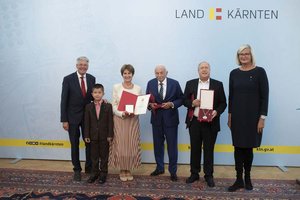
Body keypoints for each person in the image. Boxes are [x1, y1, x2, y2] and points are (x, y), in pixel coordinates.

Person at [227, 44, 269, 191]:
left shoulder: (260, 72)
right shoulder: (233, 73)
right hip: (237, 117)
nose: (244, 56)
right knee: (238, 148)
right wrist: (230, 116)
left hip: (253, 118)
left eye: (246, 53)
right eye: (241, 54)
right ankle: (238, 179)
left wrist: (262, 118)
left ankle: (248, 178)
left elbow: (265, 97)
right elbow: (231, 97)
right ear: (238, 57)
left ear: (251, 55)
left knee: (248, 149)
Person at [183, 61, 227, 187]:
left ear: (210, 70)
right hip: (195, 122)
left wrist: (216, 112)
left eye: (206, 67)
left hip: (210, 122)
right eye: (202, 68)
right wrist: (192, 103)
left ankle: (209, 175)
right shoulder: (190, 83)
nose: (204, 69)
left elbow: (223, 103)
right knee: (195, 149)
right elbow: (184, 100)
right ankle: (194, 173)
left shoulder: (218, 85)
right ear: (198, 70)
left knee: (209, 150)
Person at [146, 64, 183, 182]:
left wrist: (172, 104)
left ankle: (173, 171)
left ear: (166, 73)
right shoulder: (150, 83)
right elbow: (148, 100)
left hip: (171, 120)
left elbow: (181, 99)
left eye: (161, 73)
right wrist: (149, 105)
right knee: (158, 145)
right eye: (157, 73)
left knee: (172, 146)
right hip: (156, 120)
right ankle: (159, 168)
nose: (159, 75)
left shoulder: (175, 83)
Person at [60, 56, 95, 181]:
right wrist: (64, 120)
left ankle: (89, 168)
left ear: (87, 66)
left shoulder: (92, 78)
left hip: (88, 118)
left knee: (89, 143)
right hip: (72, 118)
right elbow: (64, 100)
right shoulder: (68, 79)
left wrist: (101, 101)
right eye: (80, 64)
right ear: (76, 66)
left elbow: (93, 96)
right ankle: (77, 170)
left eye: (85, 65)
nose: (83, 67)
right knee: (74, 144)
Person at [109, 64, 142, 182]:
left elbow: (140, 105)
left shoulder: (138, 88)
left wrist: (135, 112)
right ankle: (122, 169)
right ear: (122, 74)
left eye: (129, 73)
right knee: (121, 145)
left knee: (131, 145)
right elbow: (113, 105)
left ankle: (128, 169)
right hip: (120, 120)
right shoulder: (116, 87)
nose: (127, 75)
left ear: (133, 74)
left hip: (132, 121)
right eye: (125, 73)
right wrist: (121, 113)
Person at [84, 84, 113, 184]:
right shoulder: (88, 107)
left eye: (99, 92)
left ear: (103, 93)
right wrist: (86, 135)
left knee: (104, 156)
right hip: (92, 136)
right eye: (95, 92)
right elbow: (86, 122)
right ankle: (94, 174)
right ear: (92, 94)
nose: (97, 94)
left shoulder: (108, 106)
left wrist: (110, 135)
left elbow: (110, 122)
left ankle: (103, 174)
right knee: (94, 156)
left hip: (105, 136)